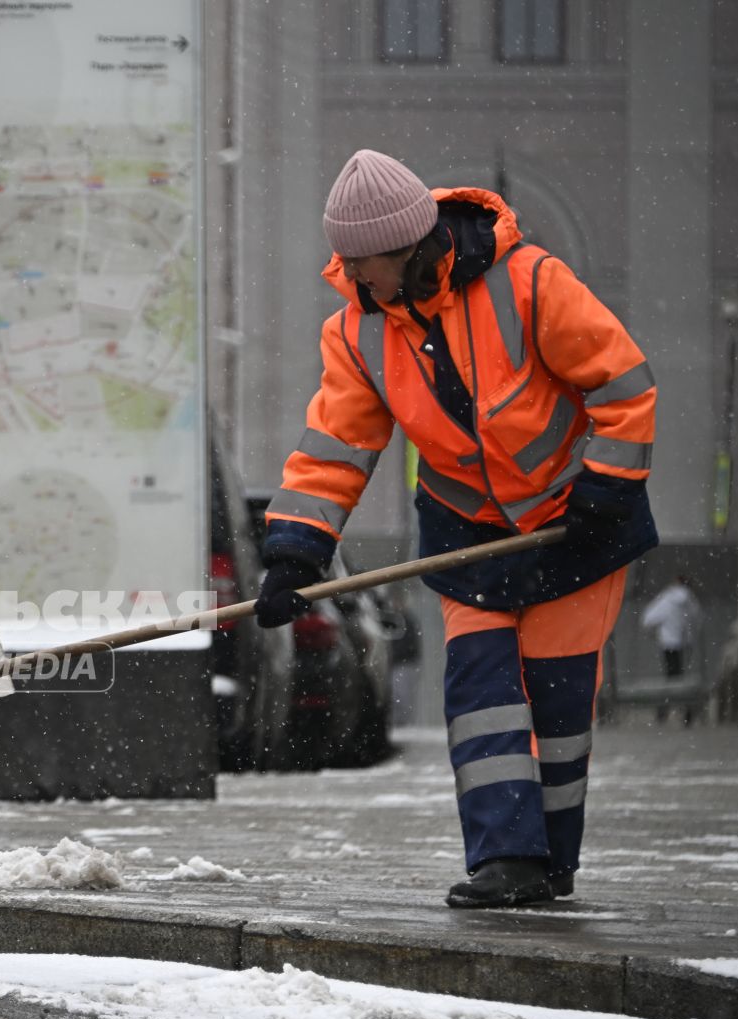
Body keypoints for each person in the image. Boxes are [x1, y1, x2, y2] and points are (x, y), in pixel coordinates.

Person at [257, 149, 658, 909]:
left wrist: (606, 482)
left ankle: (551, 862)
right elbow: (335, 447)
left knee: (555, 699)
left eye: (359, 262)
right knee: (481, 692)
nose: (348, 277)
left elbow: (624, 382)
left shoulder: (532, 283)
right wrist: (294, 550)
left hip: (578, 526)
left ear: (406, 246)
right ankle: (505, 858)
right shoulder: (357, 331)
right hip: (467, 531)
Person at [639, 575, 702, 723]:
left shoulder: (667, 599)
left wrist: (653, 632)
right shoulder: (691, 600)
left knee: (670, 677)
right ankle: (686, 712)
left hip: (668, 643)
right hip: (685, 643)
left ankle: (663, 712)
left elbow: (648, 618)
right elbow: (698, 619)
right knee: (680, 677)